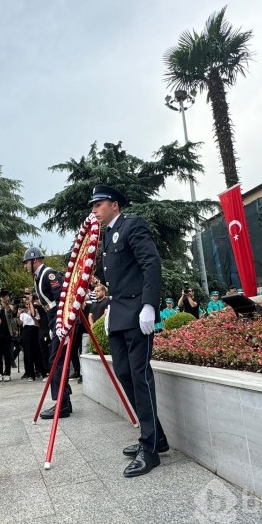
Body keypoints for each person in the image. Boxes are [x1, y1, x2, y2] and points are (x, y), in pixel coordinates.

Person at [90, 184, 168, 478]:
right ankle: (156, 437)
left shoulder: (132, 226)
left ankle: (149, 448)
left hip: (138, 314)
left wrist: (150, 305)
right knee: (123, 373)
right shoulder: (108, 236)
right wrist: (109, 306)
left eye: (98, 205)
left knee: (140, 376)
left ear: (113, 204)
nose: (94, 211)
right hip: (119, 314)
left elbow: (151, 264)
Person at [22, 247, 71, 419]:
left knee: (55, 360)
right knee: (58, 360)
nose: (25, 267)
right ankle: (65, 402)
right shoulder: (39, 276)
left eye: (26, 263)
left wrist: (61, 325)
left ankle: (62, 403)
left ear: (34, 260)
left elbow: (62, 298)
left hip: (59, 318)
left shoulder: (48, 274)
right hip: (53, 319)